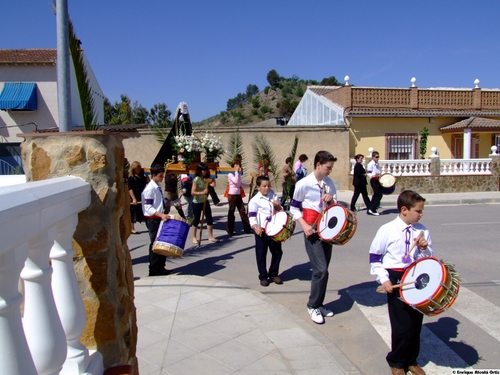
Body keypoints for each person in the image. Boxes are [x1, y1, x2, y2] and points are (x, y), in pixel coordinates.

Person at [369, 190, 433, 375]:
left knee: (415, 323)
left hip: (415, 278)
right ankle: (396, 361)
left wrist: (424, 248)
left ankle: (411, 359)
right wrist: (384, 279)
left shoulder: (422, 230)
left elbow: (429, 257)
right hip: (396, 279)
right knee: (401, 325)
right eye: (418, 211)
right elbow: (375, 257)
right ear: (404, 209)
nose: (421, 214)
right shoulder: (387, 230)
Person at [290, 150, 337, 324]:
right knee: (320, 269)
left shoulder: (330, 183)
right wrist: (304, 225)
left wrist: (331, 200)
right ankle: (312, 305)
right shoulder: (303, 184)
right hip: (312, 231)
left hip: (327, 231)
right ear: (318, 165)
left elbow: (336, 207)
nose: (330, 170)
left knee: (324, 271)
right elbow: (294, 208)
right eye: (328, 167)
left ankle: (320, 303)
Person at [249, 175, 284, 287]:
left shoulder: (273, 196)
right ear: (258, 187)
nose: (267, 188)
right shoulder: (255, 200)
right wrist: (256, 227)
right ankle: (263, 276)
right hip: (262, 230)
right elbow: (251, 216)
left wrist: (278, 206)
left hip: (274, 230)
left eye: (268, 186)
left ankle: (273, 273)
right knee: (261, 254)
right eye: (264, 186)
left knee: (277, 252)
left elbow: (281, 211)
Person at [142, 164, 171, 276]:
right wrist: (161, 215)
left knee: (161, 243)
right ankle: (153, 269)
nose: (162, 178)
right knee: (155, 244)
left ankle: (161, 267)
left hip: (159, 217)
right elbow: (148, 207)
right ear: (153, 175)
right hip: (153, 219)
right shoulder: (150, 189)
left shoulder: (157, 186)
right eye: (160, 176)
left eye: (162, 176)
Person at [191, 162, 219, 244]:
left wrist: (213, 177)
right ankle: (194, 237)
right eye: (203, 170)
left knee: (209, 218)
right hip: (196, 202)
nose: (205, 171)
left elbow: (213, 185)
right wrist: (202, 192)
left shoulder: (206, 178)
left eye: (205, 170)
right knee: (196, 219)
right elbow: (192, 192)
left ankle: (210, 236)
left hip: (205, 201)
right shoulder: (196, 179)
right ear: (199, 170)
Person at [226, 158, 252, 235]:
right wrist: (236, 171)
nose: (238, 166)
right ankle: (230, 230)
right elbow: (236, 181)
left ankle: (247, 228)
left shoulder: (237, 174)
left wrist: (248, 185)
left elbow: (239, 183)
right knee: (231, 212)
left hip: (238, 195)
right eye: (236, 165)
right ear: (233, 166)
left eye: (239, 165)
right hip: (232, 195)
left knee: (242, 211)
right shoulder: (230, 174)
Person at [128, 161, 149, 234]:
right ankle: (132, 228)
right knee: (133, 213)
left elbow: (148, 184)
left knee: (145, 212)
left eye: (139, 168)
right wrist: (133, 198)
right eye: (137, 168)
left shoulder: (143, 177)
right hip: (135, 196)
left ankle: (149, 226)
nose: (139, 169)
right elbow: (130, 189)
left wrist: (147, 179)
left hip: (142, 196)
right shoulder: (131, 178)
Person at [367, 151, 383, 216]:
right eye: (376, 157)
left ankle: (371, 208)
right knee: (378, 195)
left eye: (378, 157)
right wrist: (374, 174)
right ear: (373, 157)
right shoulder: (370, 164)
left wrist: (379, 174)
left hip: (377, 180)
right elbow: (369, 173)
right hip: (373, 180)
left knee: (377, 194)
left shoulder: (377, 163)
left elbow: (378, 170)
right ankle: (372, 208)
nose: (377, 158)